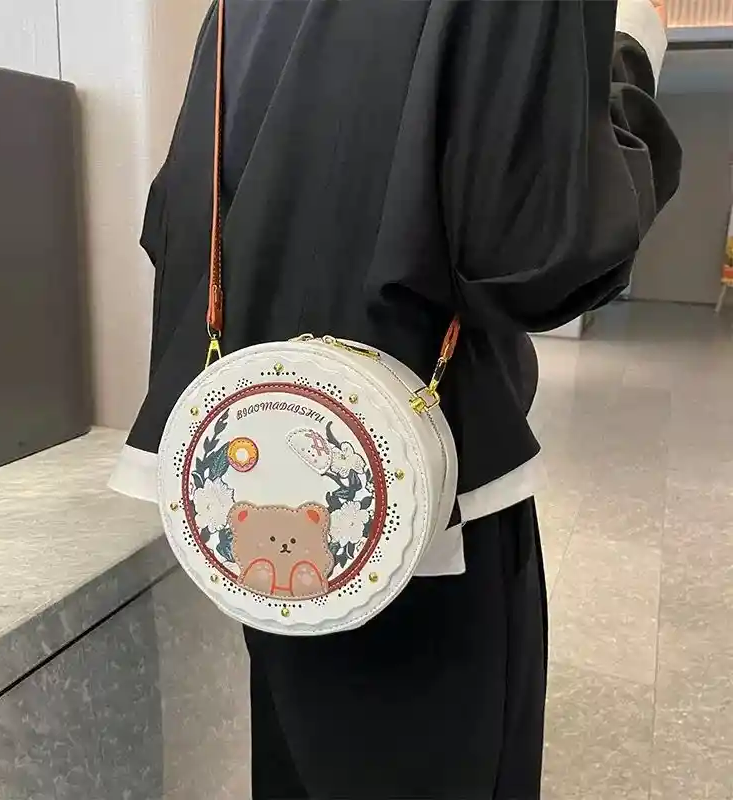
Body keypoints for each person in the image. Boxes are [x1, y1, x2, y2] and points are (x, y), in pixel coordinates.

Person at [110, 0, 681, 797]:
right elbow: (539, 253)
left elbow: (173, 212)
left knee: (302, 755)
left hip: (256, 453)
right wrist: (630, 62)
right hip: (419, 486)